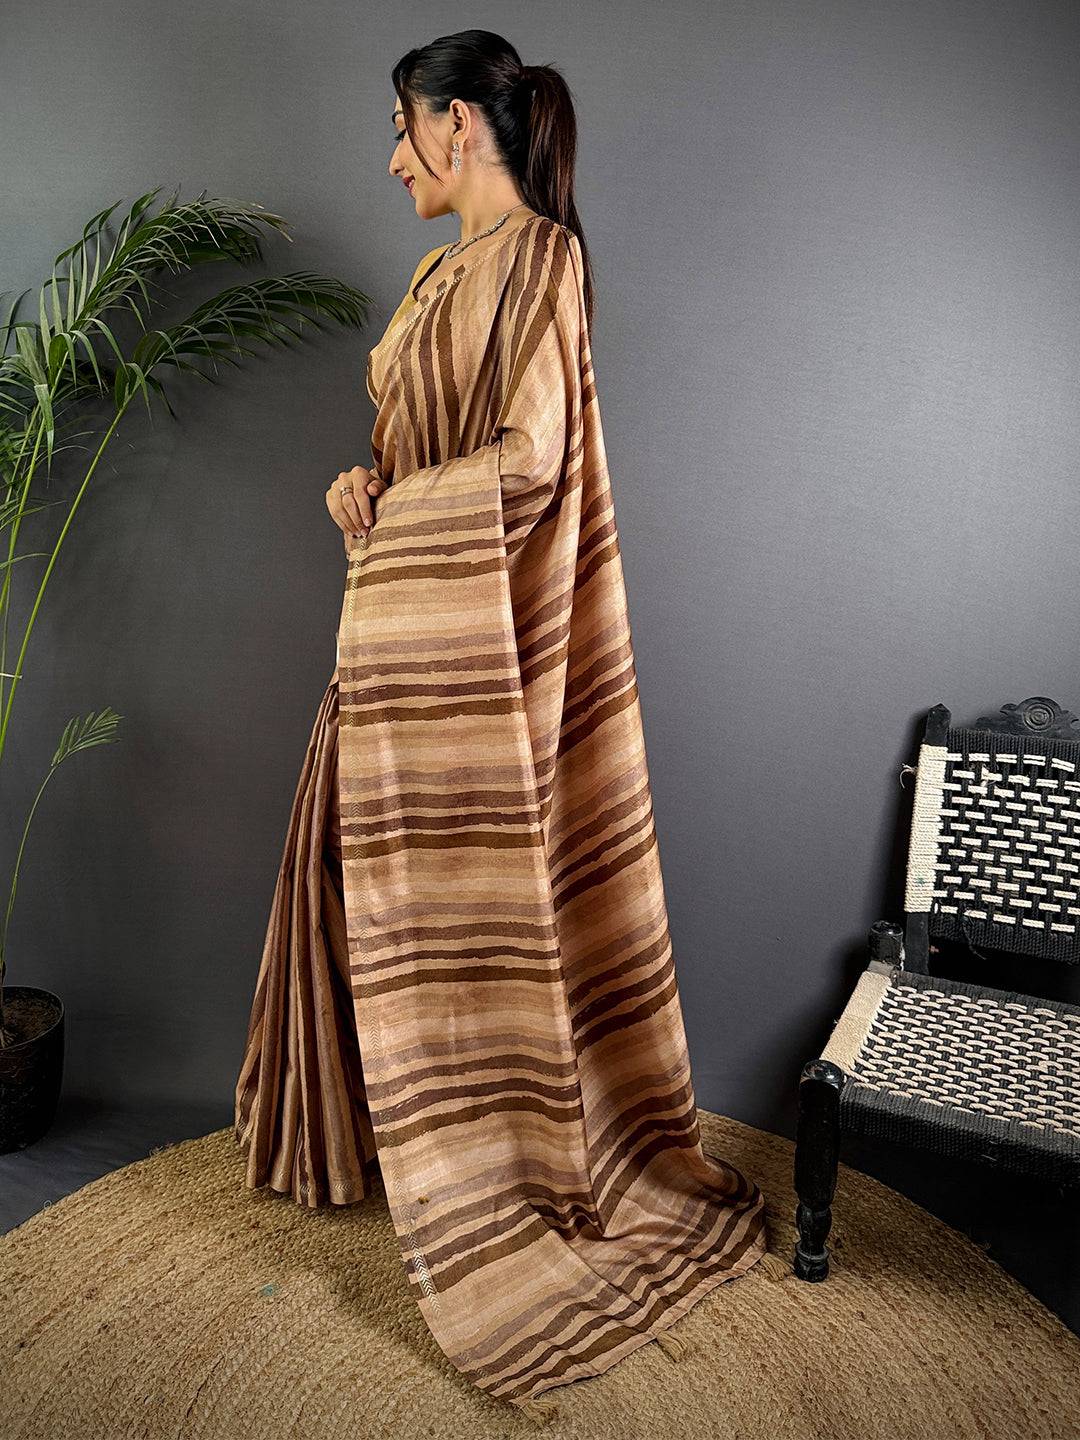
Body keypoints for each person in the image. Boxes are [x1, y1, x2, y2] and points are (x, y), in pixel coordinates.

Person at [235, 28, 771, 1410]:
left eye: (401, 129)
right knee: (360, 872)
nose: (392, 159)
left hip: (490, 643)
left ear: (459, 124)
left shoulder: (544, 261)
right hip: (400, 619)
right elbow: (409, 448)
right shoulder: (436, 274)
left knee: (473, 894)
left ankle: (499, 1164)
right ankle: (371, 1140)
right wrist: (362, 487)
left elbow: (529, 460)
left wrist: (403, 504)